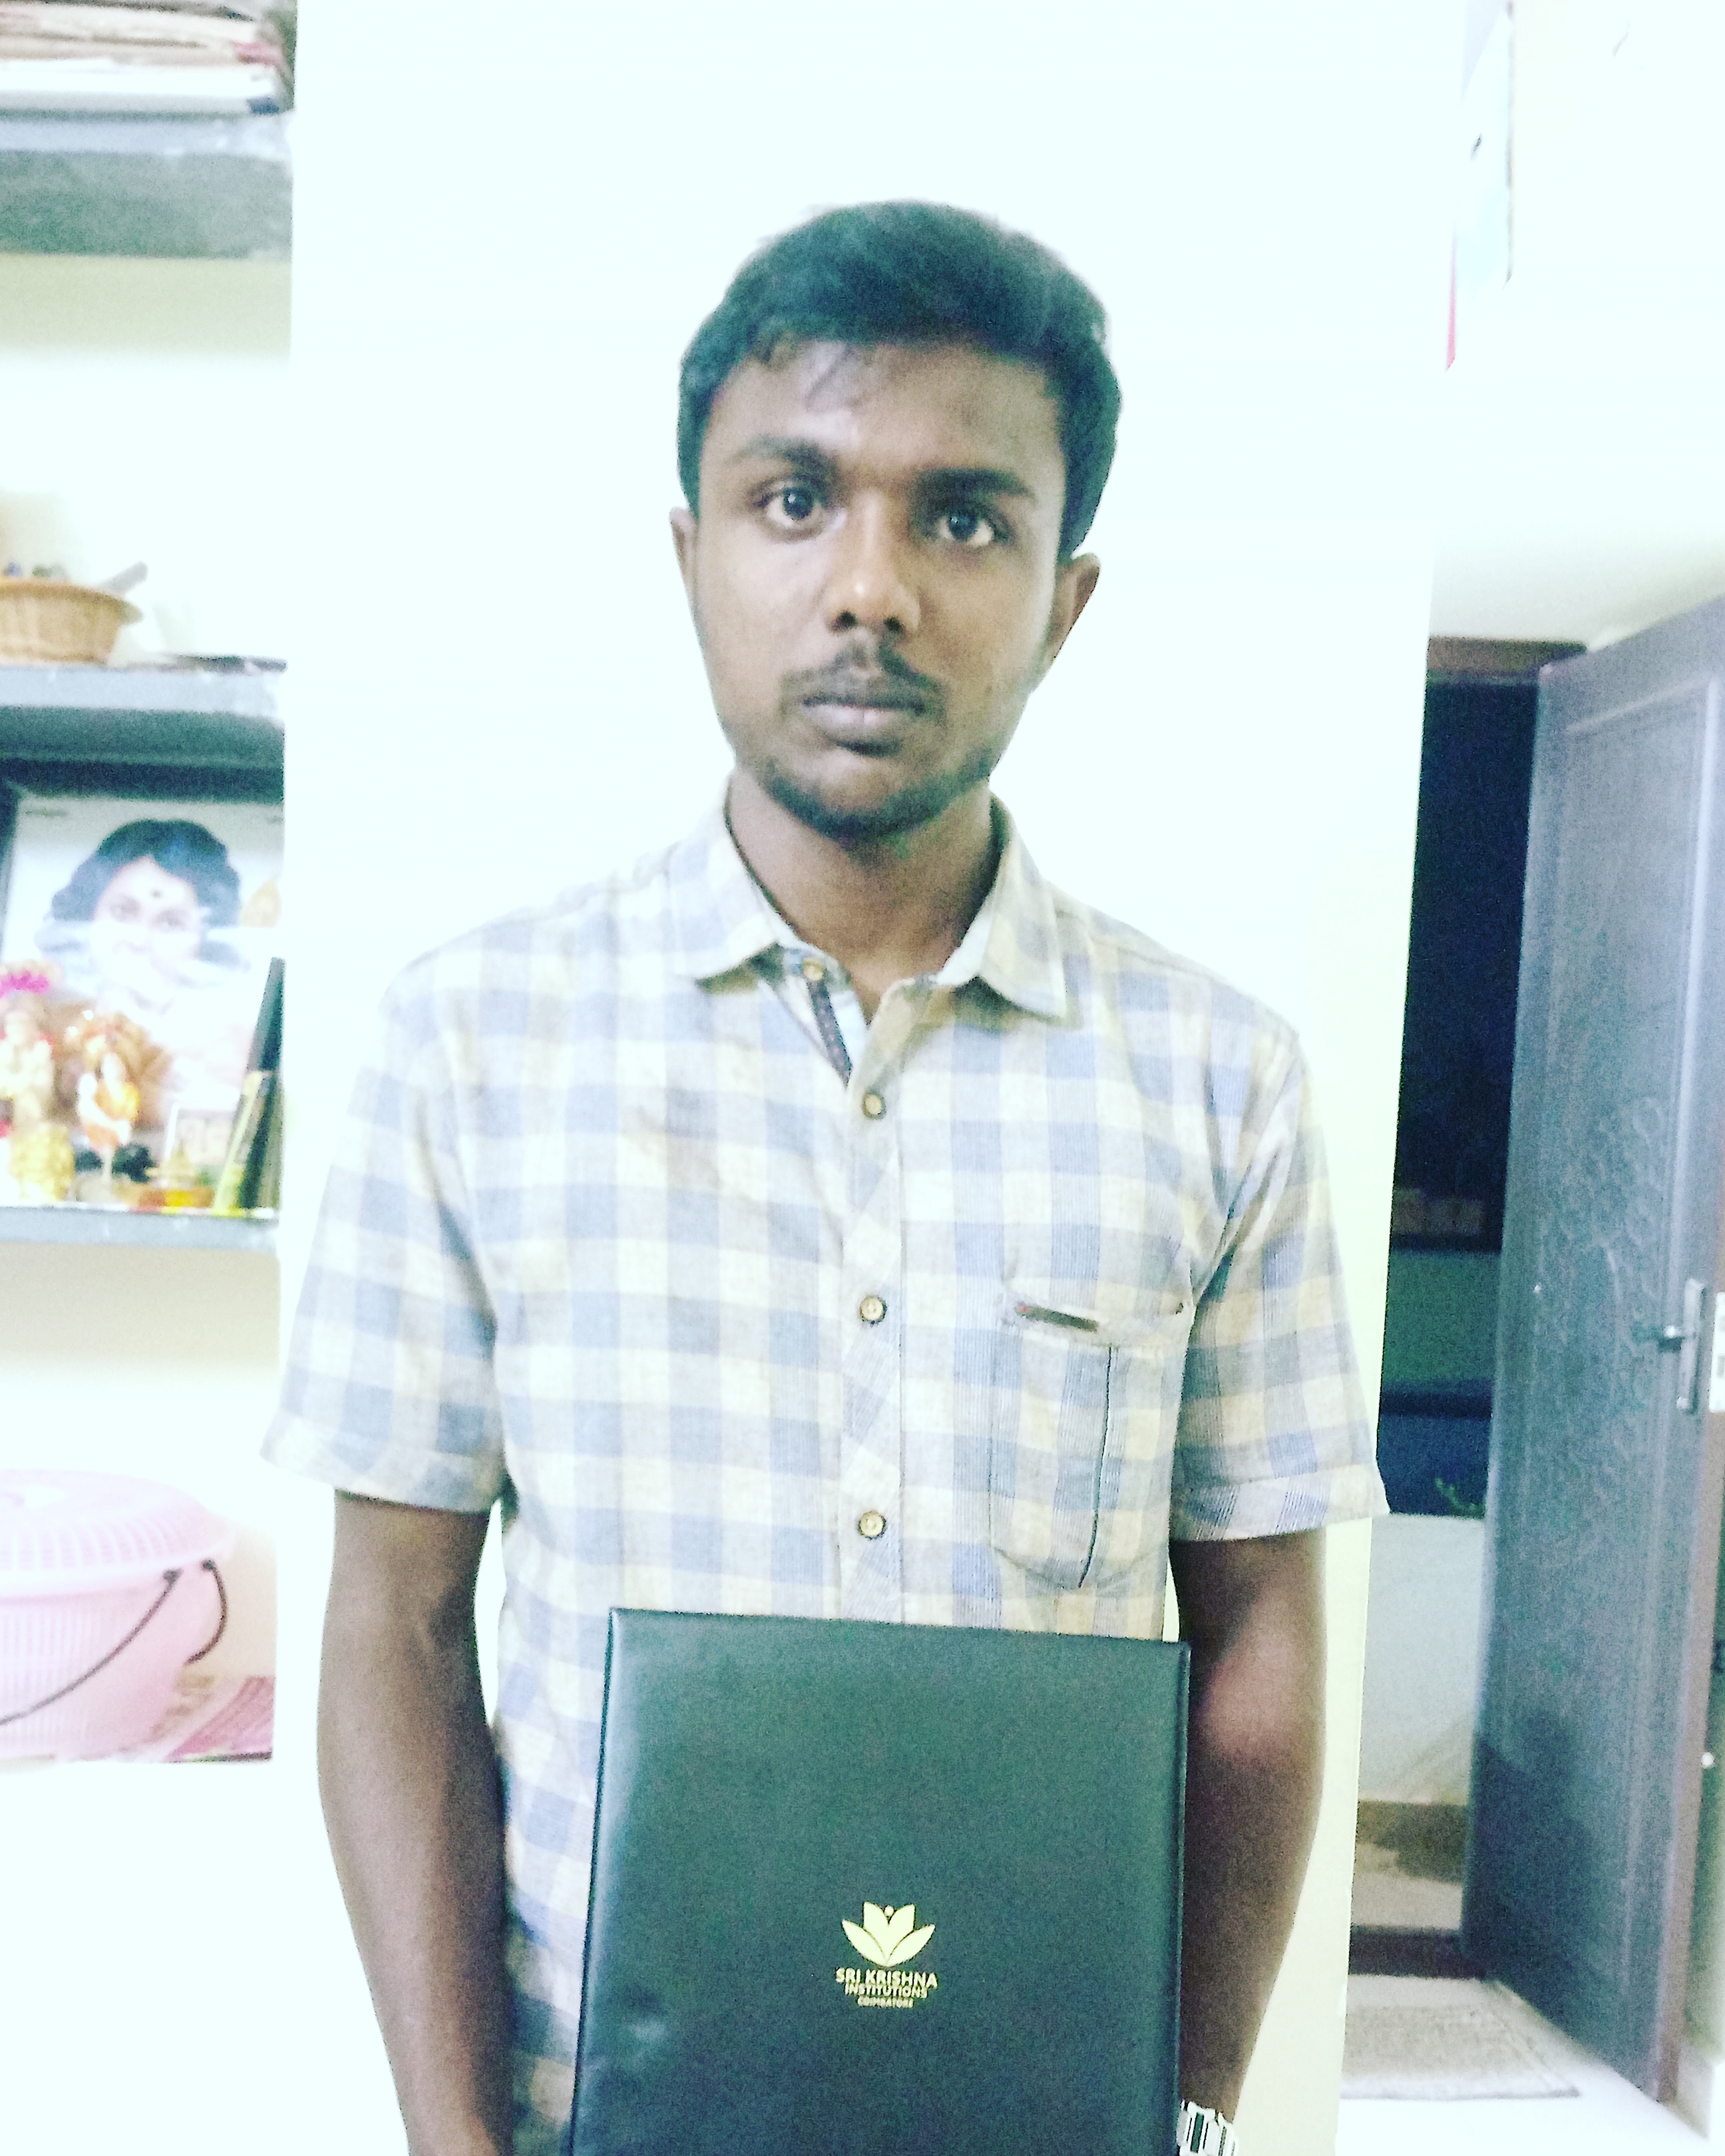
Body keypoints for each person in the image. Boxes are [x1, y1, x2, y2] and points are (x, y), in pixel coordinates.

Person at [266, 201, 1386, 2156]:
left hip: (1040, 2112)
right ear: (689, 553)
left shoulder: (1223, 1082)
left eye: (964, 518)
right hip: (595, 2111)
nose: (871, 589)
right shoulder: (474, 1045)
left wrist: (1186, 2107)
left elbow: (1261, 1642)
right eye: (794, 500)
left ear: (1067, 596)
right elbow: (395, 1629)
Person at [37, 818, 256, 1120]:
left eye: (171, 923)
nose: (140, 939)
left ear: (205, 940)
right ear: (89, 914)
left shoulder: (228, 1046)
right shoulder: (48, 1021)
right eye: (123, 912)